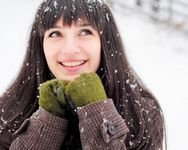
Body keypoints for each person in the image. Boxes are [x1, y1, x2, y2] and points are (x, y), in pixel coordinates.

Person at [0, 0, 165, 149]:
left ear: (105, 42)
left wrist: (96, 112)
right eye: (55, 34)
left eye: (85, 32)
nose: (70, 49)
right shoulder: (9, 110)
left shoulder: (142, 113)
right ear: (40, 45)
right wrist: (48, 121)